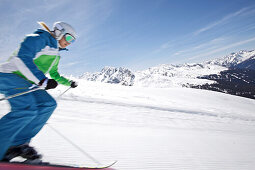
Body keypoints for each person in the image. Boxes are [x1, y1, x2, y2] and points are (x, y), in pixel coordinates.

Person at [0, 21, 78, 162]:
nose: (69, 42)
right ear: (59, 32)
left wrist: (69, 82)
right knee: (26, 109)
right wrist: (42, 80)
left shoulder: (56, 54)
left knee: (47, 104)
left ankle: (16, 145)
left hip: (28, 82)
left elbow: (55, 74)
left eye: (73, 40)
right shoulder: (40, 38)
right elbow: (22, 59)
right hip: (10, 75)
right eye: (68, 38)